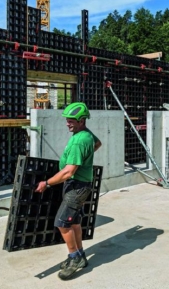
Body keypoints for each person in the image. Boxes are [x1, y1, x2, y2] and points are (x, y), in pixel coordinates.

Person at [35, 102, 102, 281]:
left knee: (62, 222)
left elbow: (68, 171)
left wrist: (47, 183)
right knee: (74, 222)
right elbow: (98, 144)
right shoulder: (86, 135)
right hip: (81, 183)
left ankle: (74, 258)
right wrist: (86, 159)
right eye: (67, 120)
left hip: (77, 186)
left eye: (71, 120)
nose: (67, 123)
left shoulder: (79, 142)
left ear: (81, 120)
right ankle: (80, 254)